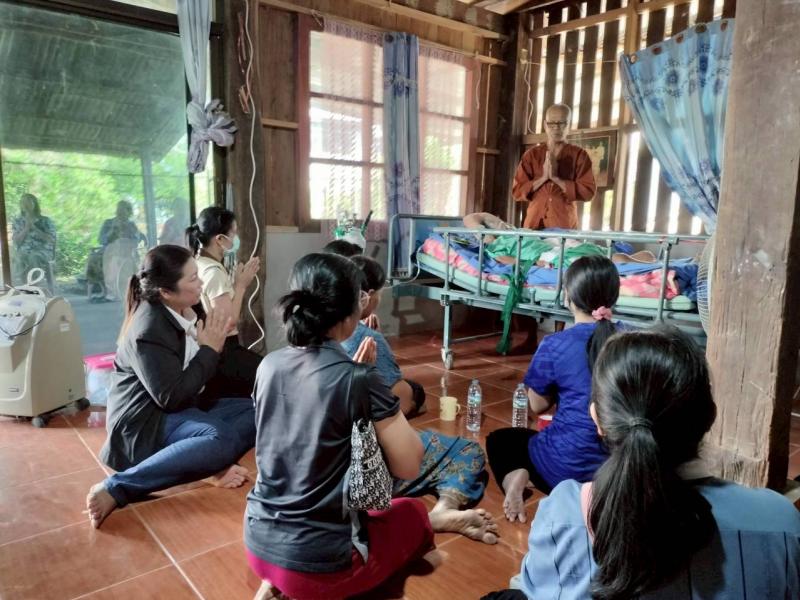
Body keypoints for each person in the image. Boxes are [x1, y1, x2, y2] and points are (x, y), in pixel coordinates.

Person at [487, 327, 800, 599]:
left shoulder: (564, 512)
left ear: (598, 420)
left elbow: (538, 590)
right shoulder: (780, 521)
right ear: (710, 416)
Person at [245, 253, 435, 600]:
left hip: (257, 543)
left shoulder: (268, 365)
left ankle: (276, 584)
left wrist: (357, 379)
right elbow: (410, 464)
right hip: (320, 567)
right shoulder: (358, 377)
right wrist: (368, 385)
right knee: (414, 513)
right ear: (352, 313)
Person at [85, 245, 256, 529]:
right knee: (219, 437)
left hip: (182, 408)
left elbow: (204, 371)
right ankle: (118, 487)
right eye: (193, 279)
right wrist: (209, 350)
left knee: (258, 409)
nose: (200, 284)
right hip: (143, 425)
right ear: (166, 291)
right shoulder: (148, 329)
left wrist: (215, 348)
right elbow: (171, 397)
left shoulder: (190, 307)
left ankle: (204, 462)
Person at [342, 255, 498, 544]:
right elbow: (397, 405)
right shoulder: (365, 338)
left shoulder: (286, 359)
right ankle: (443, 509)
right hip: (364, 480)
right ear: (366, 297)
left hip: (318, 485)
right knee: (467, 449)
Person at [486, 255, 620, 522]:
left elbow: (537, 406)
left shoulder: (555, 344)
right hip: (620, 473)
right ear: (614, 296)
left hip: (562, 471)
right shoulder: (635, 340)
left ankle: (517, 476)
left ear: (568, 296)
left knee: (501, 440)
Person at [186, 207, 262, 400]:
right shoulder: (213, 272)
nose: (236, 239)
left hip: (214, 350)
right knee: (268, 373)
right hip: (224, 353)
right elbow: (227, 323)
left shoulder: (199, 262)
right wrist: (241, 285)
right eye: (233, 234)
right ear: (219, 239)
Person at [512, 103, 596, 230]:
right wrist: (543, 179)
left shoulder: (580, 155)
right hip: (533, 224)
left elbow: (588, 192)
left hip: (564, 224)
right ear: (545, 125)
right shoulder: (532, 155)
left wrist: (557, 179)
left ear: (569, 125)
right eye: (552, 123)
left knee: (563, 243)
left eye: (562, 123)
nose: (556, 128)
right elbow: (517, 191)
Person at [11, 193, 56, 289]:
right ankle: (26, 287)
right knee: (20, 257)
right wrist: (26, 228)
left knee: (34, 257)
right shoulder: (17, 221)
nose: (25, 204)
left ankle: (34, 287)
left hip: (42, 250)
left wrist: (34, 228)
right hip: (24, 250)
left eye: (28, 201)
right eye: (23, 202)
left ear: (35, 204)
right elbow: (16, 241)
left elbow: (51, 239)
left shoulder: (45, 220)